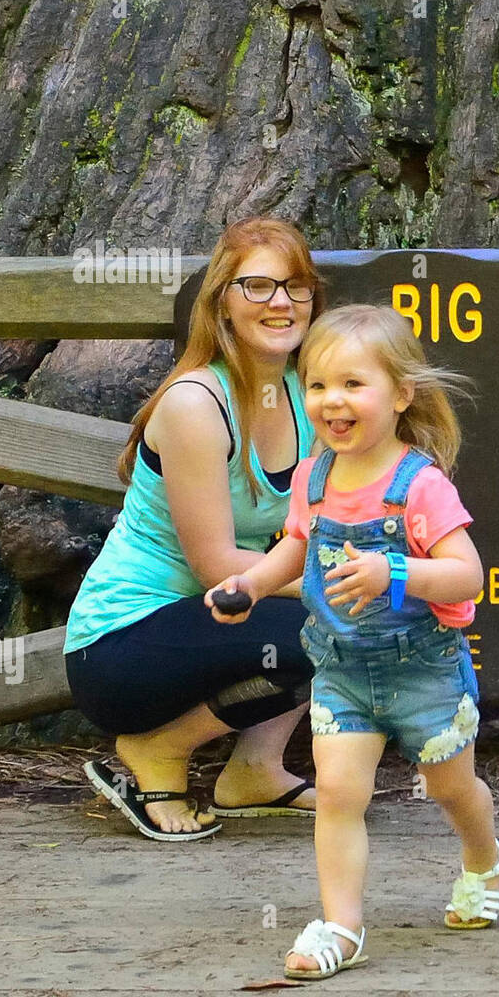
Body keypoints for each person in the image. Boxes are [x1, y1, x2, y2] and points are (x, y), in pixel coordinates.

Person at [208, 303, 499, 980]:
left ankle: (483, 858)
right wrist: (250, 585)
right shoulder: (313, 479)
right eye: (316, 385)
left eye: (352, 384)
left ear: (400, 395)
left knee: (451, 788)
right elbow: (295, 547)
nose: (331, 401)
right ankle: (340, 925)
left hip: (423, 671)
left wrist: (392, 570)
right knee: (339, 793)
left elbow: (468, 574)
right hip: (341, 670)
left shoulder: (418, 486)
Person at [67, 218, 325, 840]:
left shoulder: (308, 395)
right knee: (324, 625)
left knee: (344, 620)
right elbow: (216, 566)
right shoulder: (195, 403)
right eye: (257, 286)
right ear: (222, 304)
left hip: (217, 622)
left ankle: (255, 771)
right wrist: (340, 583)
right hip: (122, 649)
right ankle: (157, 749)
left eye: (296, 286)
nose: (281, 302)